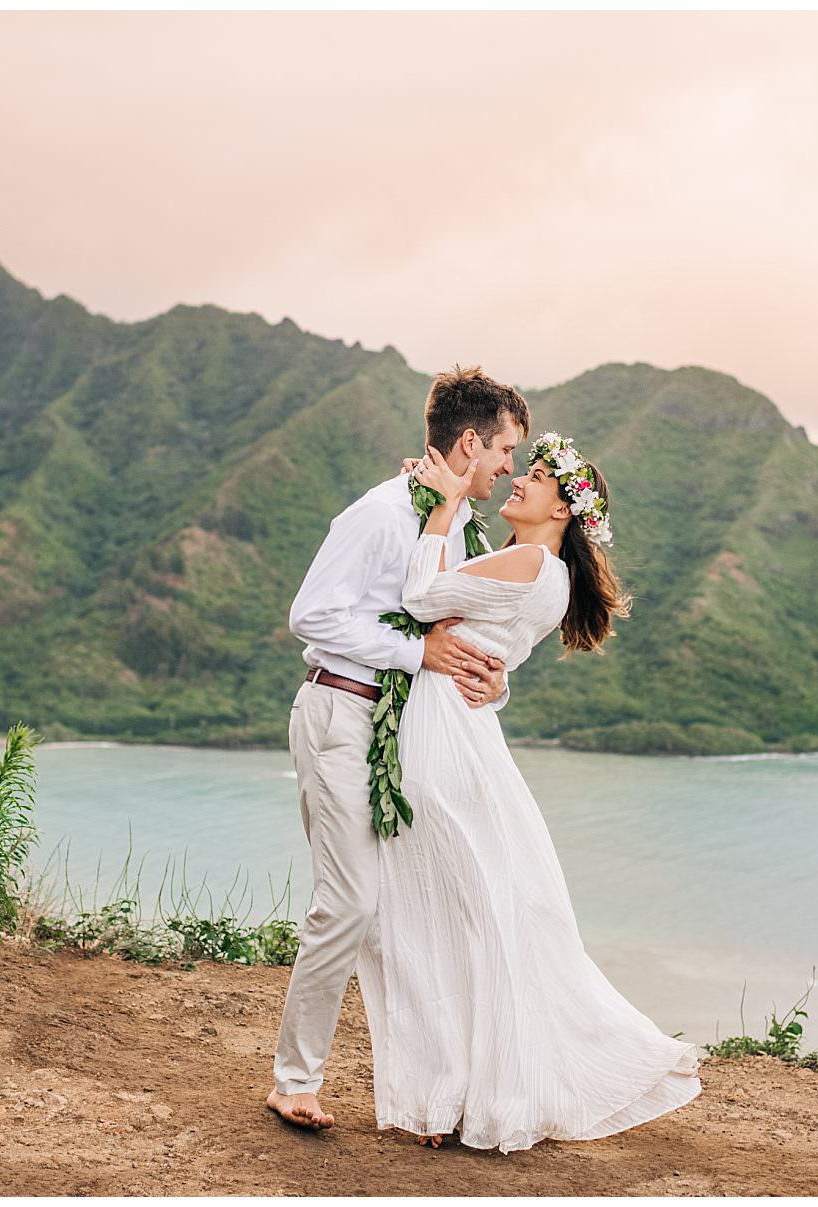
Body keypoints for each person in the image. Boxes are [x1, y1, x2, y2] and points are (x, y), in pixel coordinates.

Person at [355, 434, 701, 1154]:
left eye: (538, 477)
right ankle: (451, 1090)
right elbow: (489, 646)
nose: (520, 481)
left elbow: (420, 597)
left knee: (427, 910)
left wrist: (445, 504)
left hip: (439, 733)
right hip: (463, 729)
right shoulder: (548, 576)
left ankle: (444, 1093)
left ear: (565, 511)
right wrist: (496, 674)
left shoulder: (531, 559)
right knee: (467, 909)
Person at [266, 365, 531, 1132]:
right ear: (470, 441)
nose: (510, 466)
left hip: (408, 735)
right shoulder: (380, 513)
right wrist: (419, 655)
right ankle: (294, 1080)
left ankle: (437, 1088)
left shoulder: (465, 530)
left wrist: (488, 682)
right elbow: (310, 616)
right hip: (341, 713)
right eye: (506, 449)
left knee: (418, 910)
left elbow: (459, 640)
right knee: (348, 901)